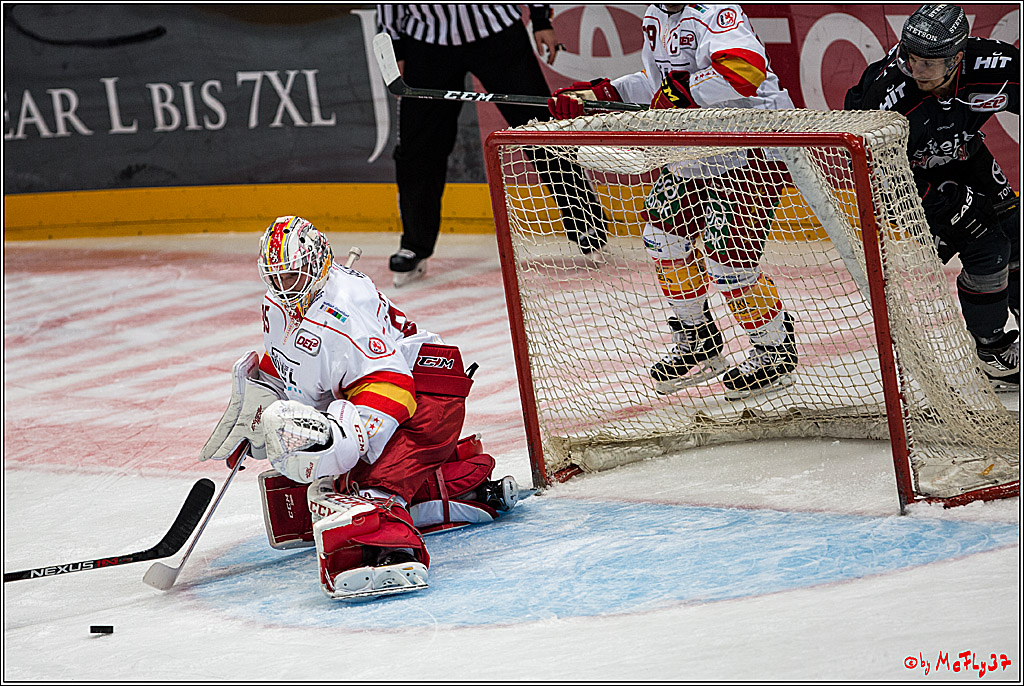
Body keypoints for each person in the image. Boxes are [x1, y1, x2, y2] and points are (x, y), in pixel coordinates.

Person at [199, 215, 519, 601]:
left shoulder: (344, 311)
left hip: (429, 396)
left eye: (292, 277)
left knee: (369, 488)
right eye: (276, 277)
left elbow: (394, 387)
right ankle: (462, 489)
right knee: (341, 476)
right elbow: (293, 356)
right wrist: (263, 402)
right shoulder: (278, 302)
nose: (284, 287)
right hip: (385, 391)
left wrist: (347, 438)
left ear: (317, 266)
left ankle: (392, 551)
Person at [546, 4, 798, 400]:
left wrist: (681, 91)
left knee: (728, 259)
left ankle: (774, 350)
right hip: (696, 147)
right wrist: (599, 94)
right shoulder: (656, 16)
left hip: (751, 143)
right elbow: (658, 83)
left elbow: (746, 71)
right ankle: (700, 340)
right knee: (663, 236)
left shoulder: (716, 11)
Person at [844, 4, 1020, 390]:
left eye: (928, 62)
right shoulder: (887, 93)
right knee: (987, 244)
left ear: (957, 57)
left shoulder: (993, 66)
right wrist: (943, 207)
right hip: (909, 183)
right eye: (910, 57)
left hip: (963, 154)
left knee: (1015, 226)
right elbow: (872, 169)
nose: (916, 69)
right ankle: (992, 351)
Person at [377, 4, 609, 287]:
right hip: (426, 41)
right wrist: (395, 49)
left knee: (542, 131)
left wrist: (540, 19)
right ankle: (414, 245)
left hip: (495, 30)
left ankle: (588, 225)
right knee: (418, 148)